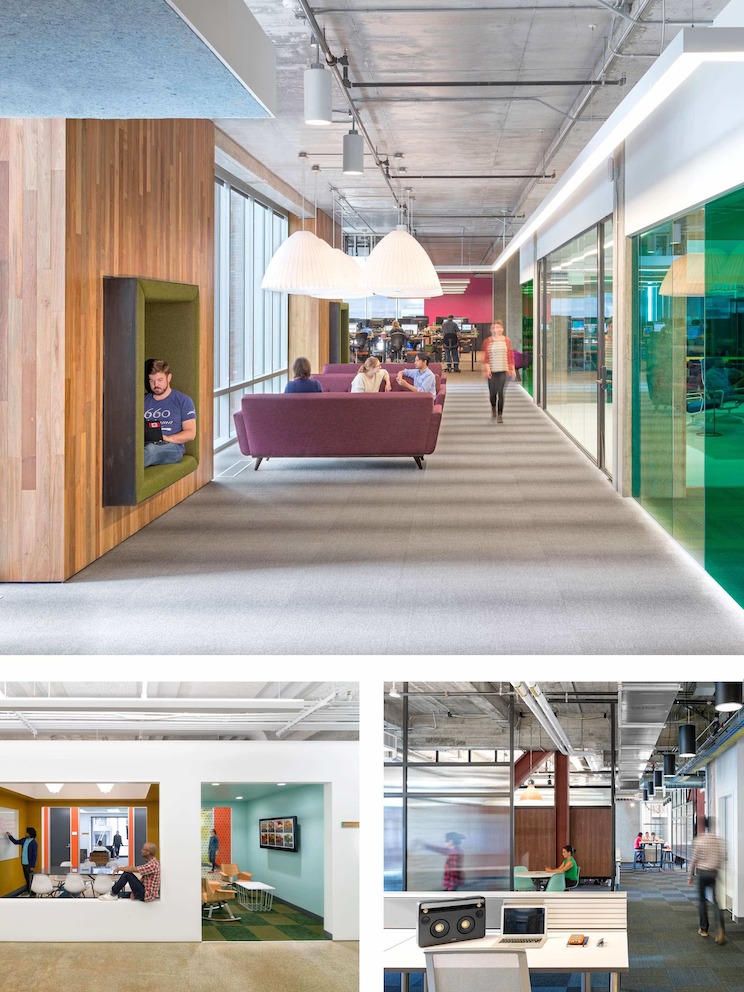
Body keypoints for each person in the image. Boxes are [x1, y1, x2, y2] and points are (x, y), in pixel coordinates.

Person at [144, 360, 196, 467]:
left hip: (173, 447)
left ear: (169, 378)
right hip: (146, 443)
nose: (156, 385)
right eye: (152, 381)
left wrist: (167, 438)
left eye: (160, 380)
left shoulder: (183, 400)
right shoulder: (142, 401)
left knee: (151, 450)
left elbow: (191, 433)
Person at [688, 817, 726, 944]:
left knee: (702, 900)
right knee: (715, 901)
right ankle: (720, 928)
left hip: (702, 873)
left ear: (702, 826)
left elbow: (694, 859)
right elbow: (721, 857)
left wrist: (690, 876)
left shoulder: (699, 840)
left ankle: (704, 929)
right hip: (713, 873)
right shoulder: (718, 841)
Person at [482, 320, 515, 422]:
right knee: (492, 393)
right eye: (495, 328)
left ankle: (500, 414)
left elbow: (510, 355)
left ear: (502, 329)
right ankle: (493, 408)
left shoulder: (507, 340)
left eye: (499, 327)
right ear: (492, 330)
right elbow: (486, 357)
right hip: (492, 370)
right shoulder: (488, 341)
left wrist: (512, 368)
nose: (497, 329)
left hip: (503, 369)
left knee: (500, 392)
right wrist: (487, 370)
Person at [6, 827, 38, 897]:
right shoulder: (24, 840)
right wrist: (9, 836)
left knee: (30, 878)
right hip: (24, 862)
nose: (25, 833)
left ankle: (33, 893)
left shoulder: (33, 843)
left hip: (29, 864)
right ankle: (29, 891)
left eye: (27, 832)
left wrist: (32, 866)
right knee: (27, 878)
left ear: (30, 834)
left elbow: (34, 855)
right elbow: (15, 842)